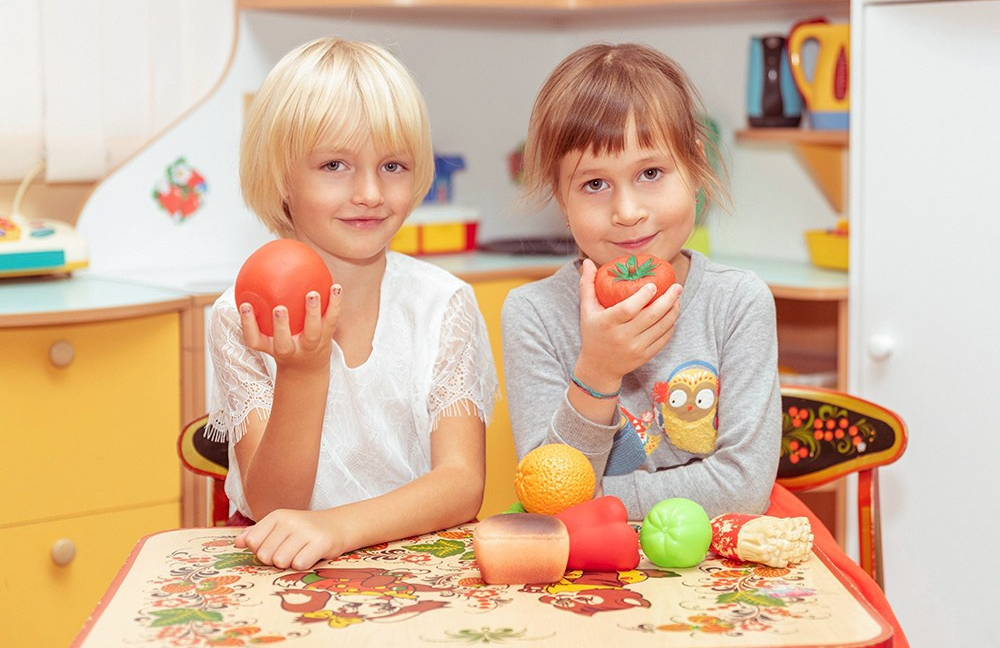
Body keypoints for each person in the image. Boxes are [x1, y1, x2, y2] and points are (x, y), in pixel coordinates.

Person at [502, 42, 908, 647]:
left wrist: (604, 501)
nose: (628, 210)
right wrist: (598, 372)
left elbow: (742, 483)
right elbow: (549, 493)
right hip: (600, 573)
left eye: (651, 173)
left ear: (695, 169)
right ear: (560, 198)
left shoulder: (737, 301)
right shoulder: (533, 313)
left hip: (731, 556)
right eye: (593, 183)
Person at [206, 37, 498, 571]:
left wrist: (338, 528)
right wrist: (302, 370)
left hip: (416, 565)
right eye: (335, 165)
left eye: (393, 166)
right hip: (283, 571)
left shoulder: (443, 305)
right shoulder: (238, 316)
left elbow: (461, 485)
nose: (369, 192)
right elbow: (277, 505)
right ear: (281, 178)